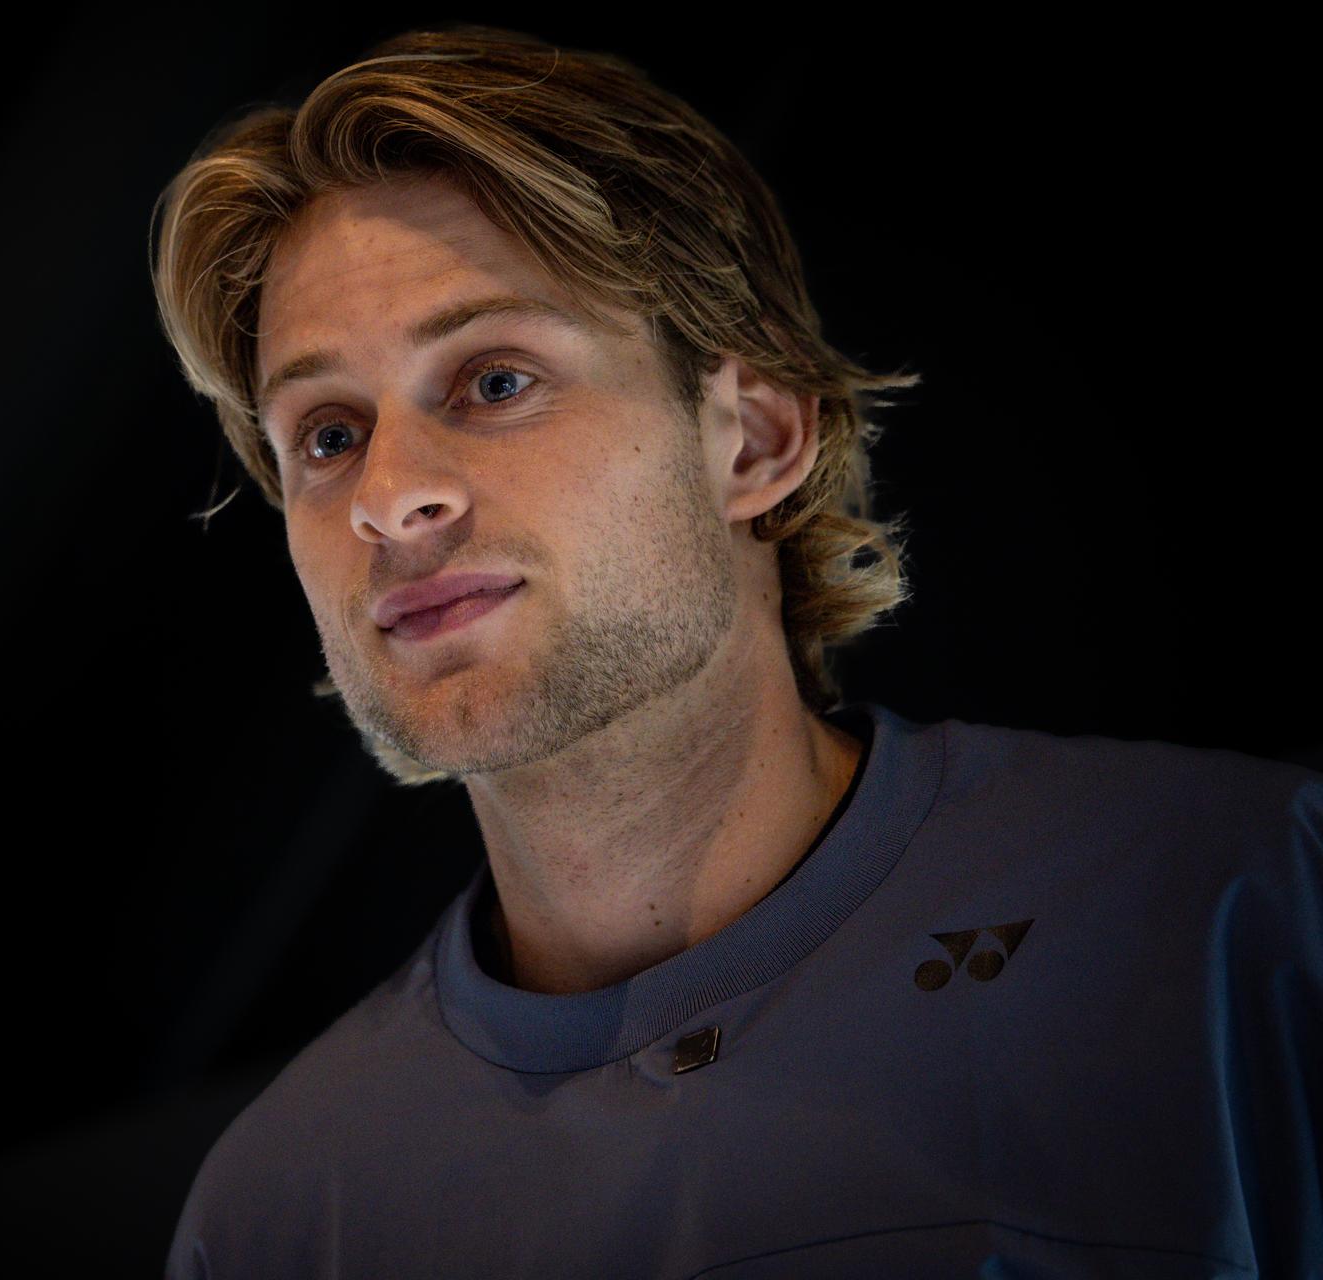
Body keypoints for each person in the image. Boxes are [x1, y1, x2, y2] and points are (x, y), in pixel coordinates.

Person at [147, 24, 1320, 1278]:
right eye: (325, 435)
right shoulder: (282, 1215)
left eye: (493, 380)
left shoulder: (1232, 903)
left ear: (753, 440)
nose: (389, 494)